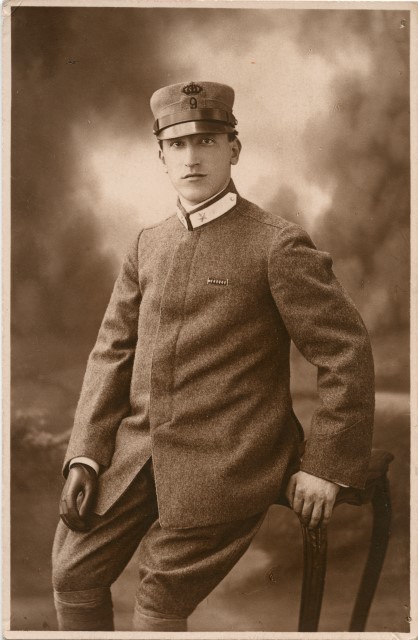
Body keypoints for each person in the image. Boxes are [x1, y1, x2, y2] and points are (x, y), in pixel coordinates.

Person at [52, 81, 375, 632]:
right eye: (177, 144)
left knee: (157, 601)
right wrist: (85, 455)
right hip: (137, 454)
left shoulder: (276, 243)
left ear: (234, 149)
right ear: (160, 156)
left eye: (207, 140)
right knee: (71, 573)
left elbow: (345, 351)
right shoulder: (146, 244)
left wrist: (325, 465)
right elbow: (111, 352)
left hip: (229, 459)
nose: (192, 157)